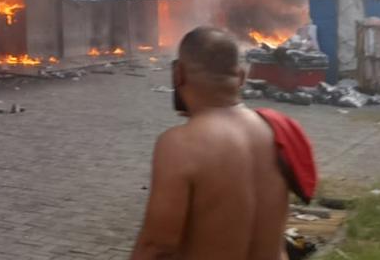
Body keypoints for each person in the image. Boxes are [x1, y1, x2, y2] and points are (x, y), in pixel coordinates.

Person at [131, 27, 316, 260]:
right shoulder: (275, 131)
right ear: (241, 76)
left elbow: (156, 245)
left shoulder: (180, 145)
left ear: (179, 74)